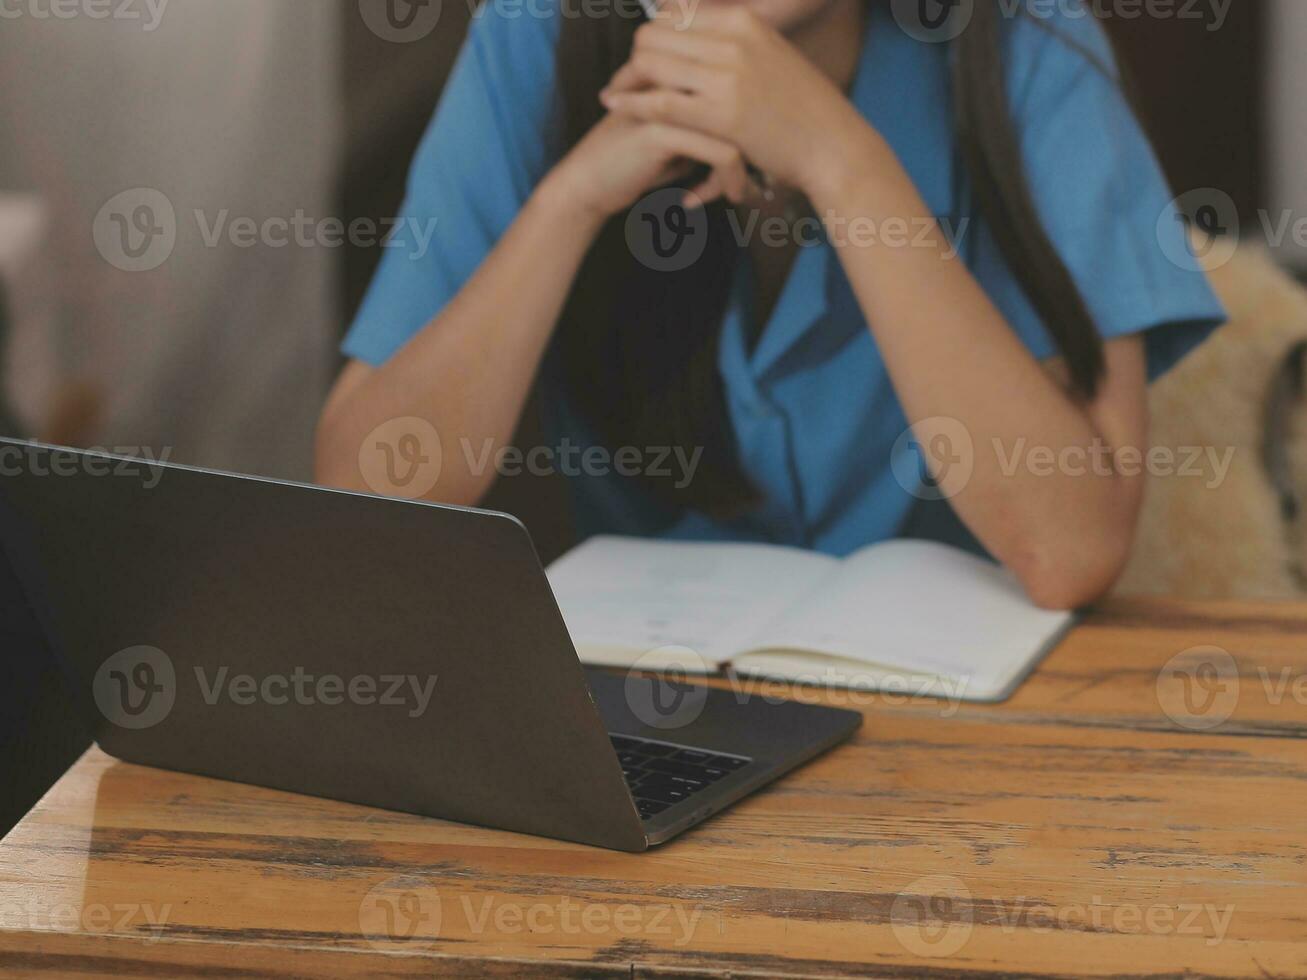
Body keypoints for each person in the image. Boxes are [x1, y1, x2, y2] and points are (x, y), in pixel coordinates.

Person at [315, 0, 1225, 610]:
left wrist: (842, 166)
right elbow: (367, 495)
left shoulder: (1024, 43)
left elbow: (1070, 552)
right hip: (650, 717)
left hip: (966, 731)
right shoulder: (534, 32)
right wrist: (570, 202)